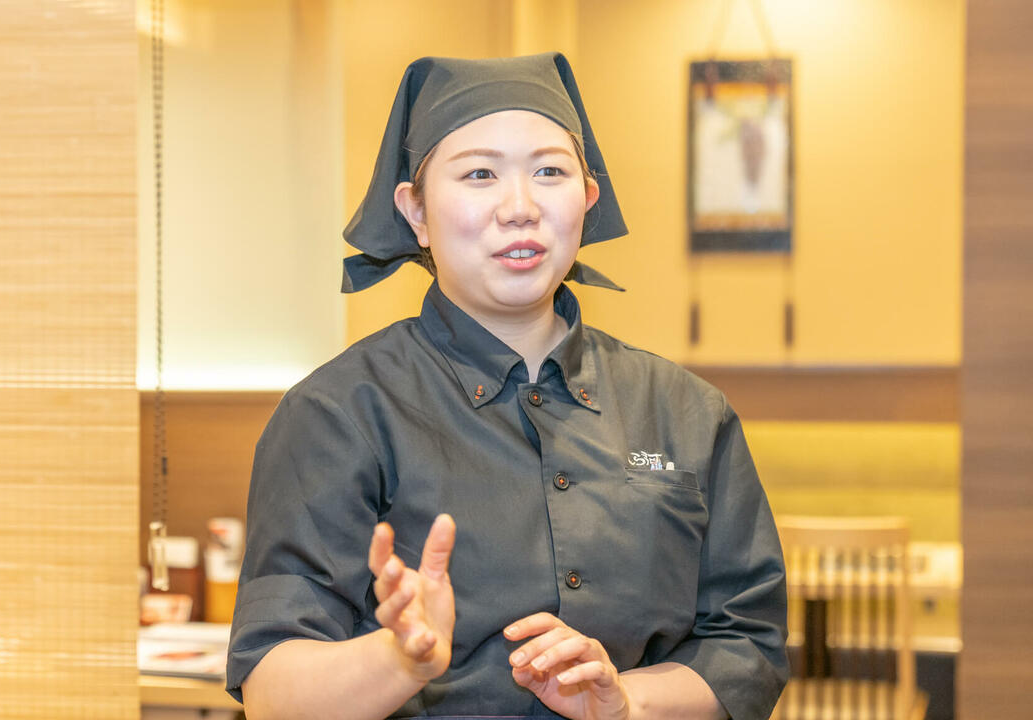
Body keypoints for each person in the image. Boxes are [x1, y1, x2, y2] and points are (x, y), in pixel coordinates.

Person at [226, 53, 788, 720]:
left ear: (587, 198)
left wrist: (626, 701)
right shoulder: (337, 414)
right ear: (416, 212)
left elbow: (748, 647)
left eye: (550, 171)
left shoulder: (687, 412)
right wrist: (399, 660)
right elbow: (270, 690)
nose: (519, 208)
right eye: (480, 174)